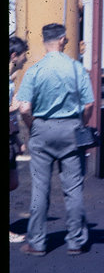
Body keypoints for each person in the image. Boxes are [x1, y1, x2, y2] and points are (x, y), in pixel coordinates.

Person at [16, 23, 94, 256]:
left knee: (40, 188)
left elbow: (24, 108)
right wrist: (81, 125)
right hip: (71, 129)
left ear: (44, 41)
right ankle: (76, 241)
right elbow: (89, 104)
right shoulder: (76, 68)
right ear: (62, 40)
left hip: (42, 128)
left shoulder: (34, 70)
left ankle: (37, 243)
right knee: (73, 187)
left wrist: (33, 127)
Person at [9, 36, 28, 243]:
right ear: (14, 56)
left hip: (10, 135)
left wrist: (18, 139)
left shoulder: (11, 79)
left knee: (13, 182)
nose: (25, 59)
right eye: (24, 55)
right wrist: (12, 108)